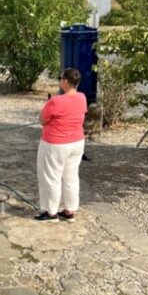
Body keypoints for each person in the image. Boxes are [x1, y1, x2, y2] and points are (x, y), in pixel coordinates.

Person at [35, 67, 87, 222]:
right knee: (71, 177)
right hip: (77, 142)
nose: (59, 80)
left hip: (55, 144)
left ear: (65, 81)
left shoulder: (56, 100)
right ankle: (70, 210)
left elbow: (43, 120)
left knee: (51, 177)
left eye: (60, 78)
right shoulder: (82, 97)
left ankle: (51, 212)